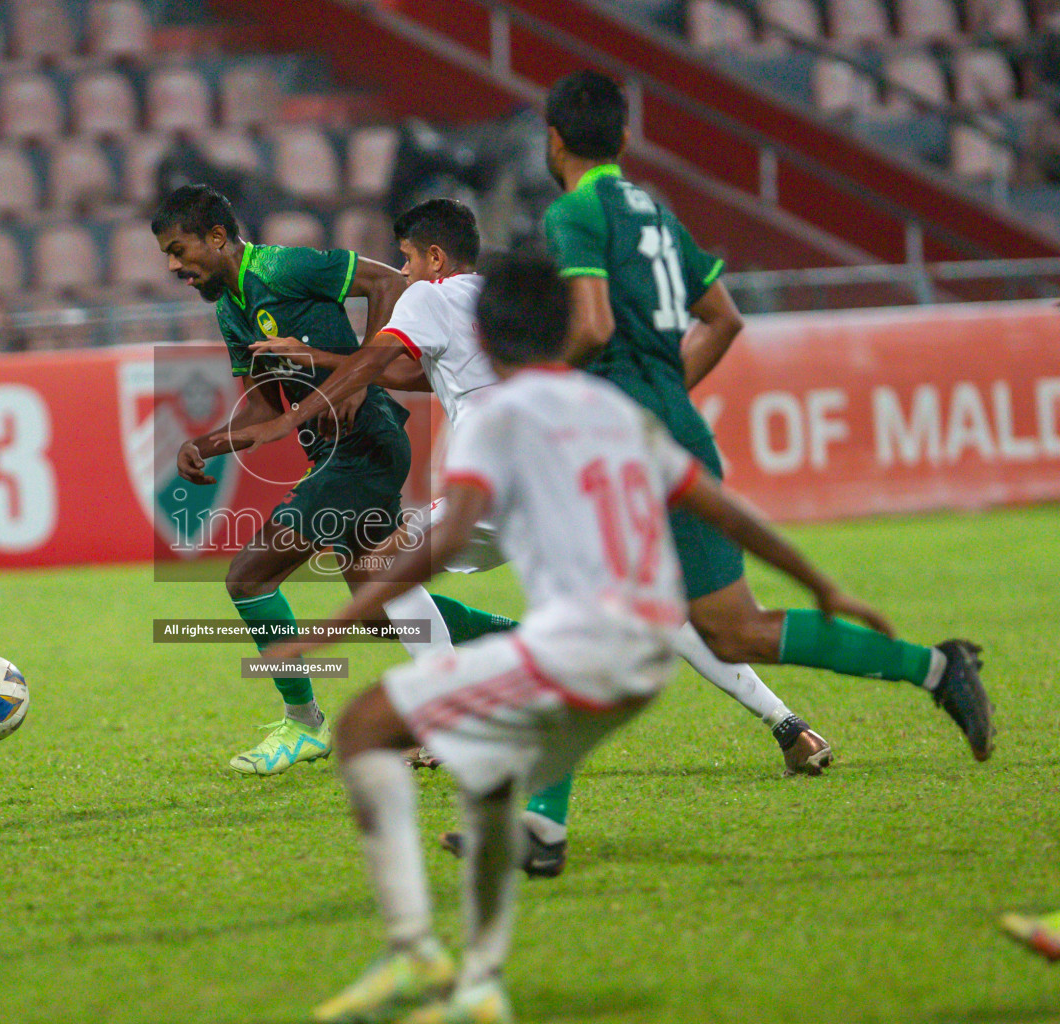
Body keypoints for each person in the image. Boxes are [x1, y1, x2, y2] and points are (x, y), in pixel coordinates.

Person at [265, 252, 993, 1024]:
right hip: (643, 659)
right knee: (492, 789)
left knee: (364, 728)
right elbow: (716, 504)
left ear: (481, 330)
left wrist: (331, 625)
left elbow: (441, 546)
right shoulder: (613, 409)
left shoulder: (497, 417)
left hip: (574, 653)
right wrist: (820, 584)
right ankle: (482, 975)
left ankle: (414, 946)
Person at [226, 197, 819, 879]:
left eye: (411, 258)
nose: (406, 272)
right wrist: (325, 356)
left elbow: (381, 365)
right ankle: (787, 725)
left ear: (435, 258)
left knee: (385, 569)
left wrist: (304, 403)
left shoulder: (430, 294)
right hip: (571, 466)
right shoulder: (503, 299)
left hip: (501, 477)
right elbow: (412, 373)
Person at [541, 70, 993, 764]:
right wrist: (662, 391)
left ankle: (531, 819)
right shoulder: (654, 211)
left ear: (553, 141)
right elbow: (722, 318)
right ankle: (934, 669)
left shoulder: (574, 212)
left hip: (629, 448)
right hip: (671, 433)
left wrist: (537, 387)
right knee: (733, 631)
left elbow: (594, 325)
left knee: (584, 611)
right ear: (625, 136)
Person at [153, 184, 503, 776]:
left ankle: (303, 724)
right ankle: (512, 646)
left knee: (248, 577)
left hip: (364, 444)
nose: (173, 265)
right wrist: (206, 444)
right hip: (331, 454)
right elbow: (265, 412)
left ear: (217, 238)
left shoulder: (282, 265)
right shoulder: (230, 309)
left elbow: (388, 283)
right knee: (378, 607)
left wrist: (366, 375)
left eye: (179, 249)